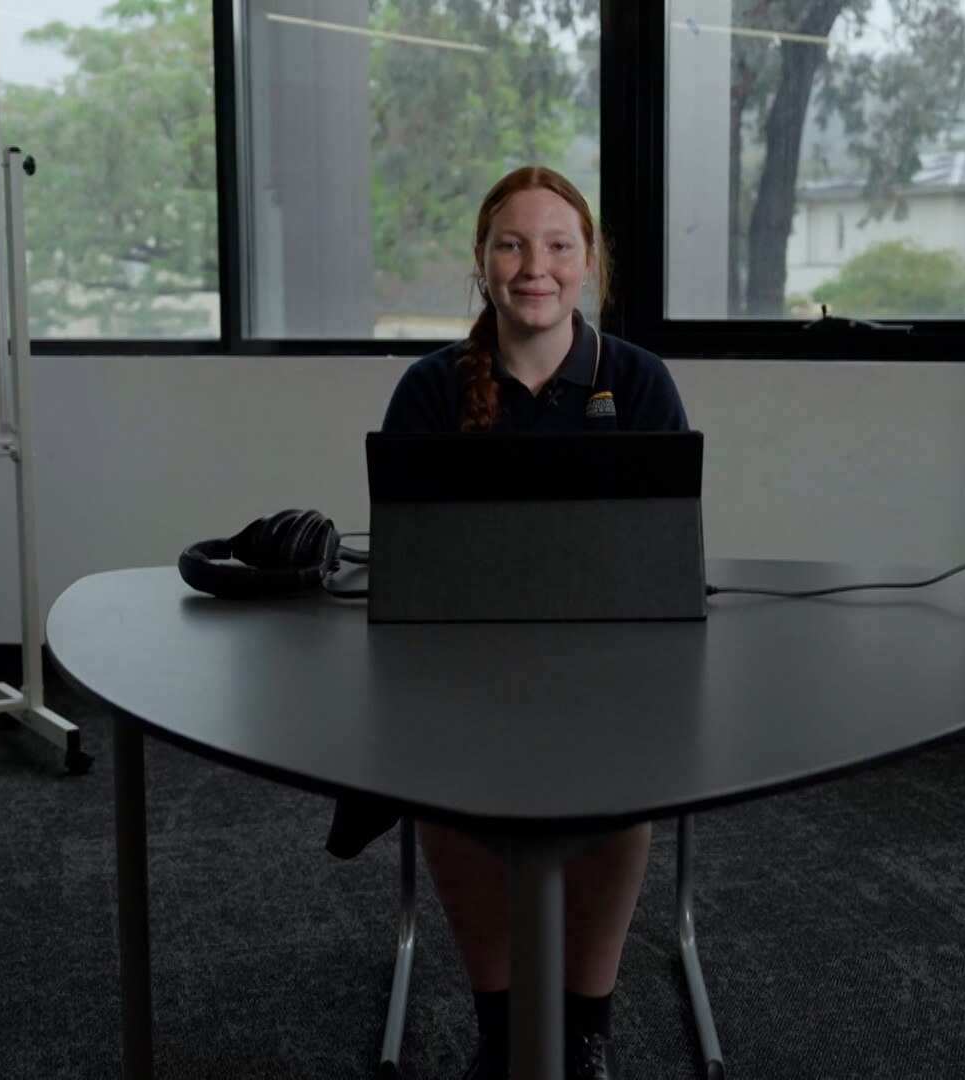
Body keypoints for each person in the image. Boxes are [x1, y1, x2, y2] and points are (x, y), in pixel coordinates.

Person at [324, 165, 690, 1080]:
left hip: (611, 671)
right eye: (513, 244)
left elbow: (663, 559)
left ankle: (587, 1027)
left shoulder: (639, 384)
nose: (537, 266)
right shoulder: (429, 390)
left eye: (559, 245)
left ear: (590, 261)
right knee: (446, 780)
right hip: (461, 673)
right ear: (482, 263)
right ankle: (501, 1027)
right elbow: (407, 576)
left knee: (628, 782)